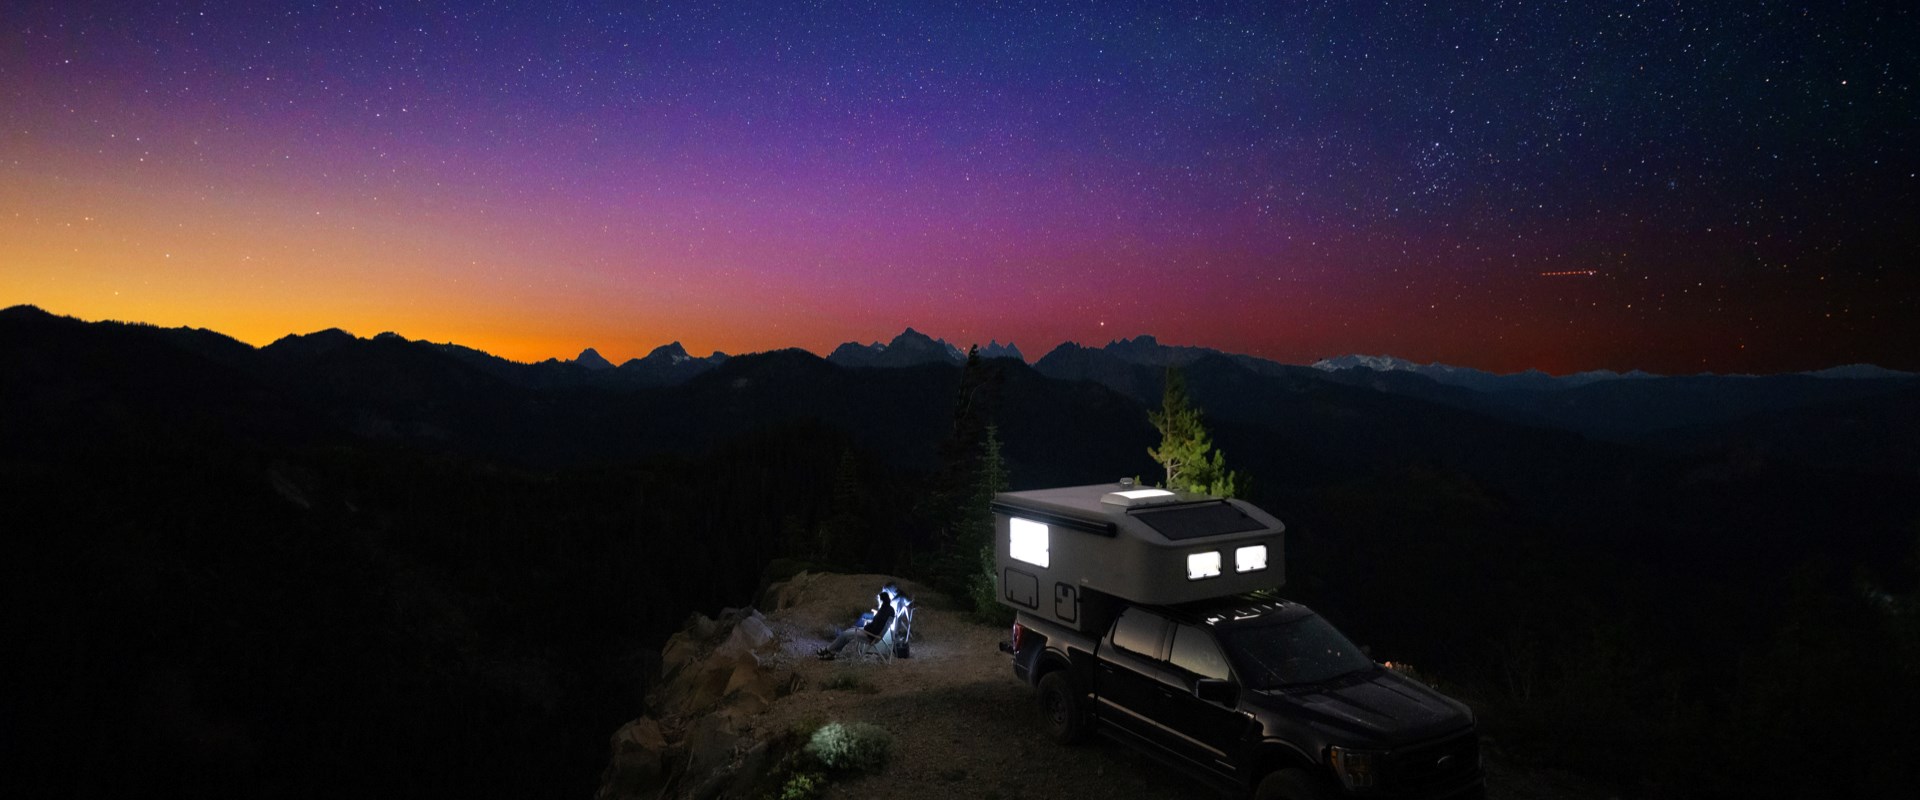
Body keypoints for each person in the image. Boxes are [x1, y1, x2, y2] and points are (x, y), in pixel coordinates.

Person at [817, 590, 895, 659]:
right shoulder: (890, 610)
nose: (878, 601)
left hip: (871, 636)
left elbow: (876, 628)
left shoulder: (883, 611)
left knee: (845, 634)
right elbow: (878, 624)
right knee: (847, 632)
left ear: (881, 600)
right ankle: (832, 651)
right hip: (872, 633)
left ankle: (828, 649)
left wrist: (866, 628)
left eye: (879, 599)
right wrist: (867, 627)